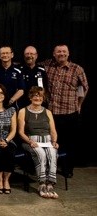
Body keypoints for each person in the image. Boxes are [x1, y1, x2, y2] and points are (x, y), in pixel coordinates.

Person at [43, 44, 89, 178]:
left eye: (64, 52)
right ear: (54, 54)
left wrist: (79, 104)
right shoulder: (47, 65)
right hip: (52, 113)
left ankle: (68, 168)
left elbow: (84, 88)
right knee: (52, 141)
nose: (61, 54)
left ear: (68, 54)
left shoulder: (77, 69)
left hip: (70, 113)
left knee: (70, 143)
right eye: (58, 52)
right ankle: (51, 167)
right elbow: (30, 62)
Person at [17, 86, 59, 198]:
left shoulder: (48, 112)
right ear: (30, 97)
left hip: (47, 141)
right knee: (41, 154)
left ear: (43, 98)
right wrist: (30, 141)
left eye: (40, 95)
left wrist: (54, 141)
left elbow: (53, 131)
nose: (37, 97)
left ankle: (50, 184)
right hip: (31, 141)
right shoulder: (23, 111)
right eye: (35, 95)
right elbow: (20, 132)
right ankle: (41, 184)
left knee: (52, 153)